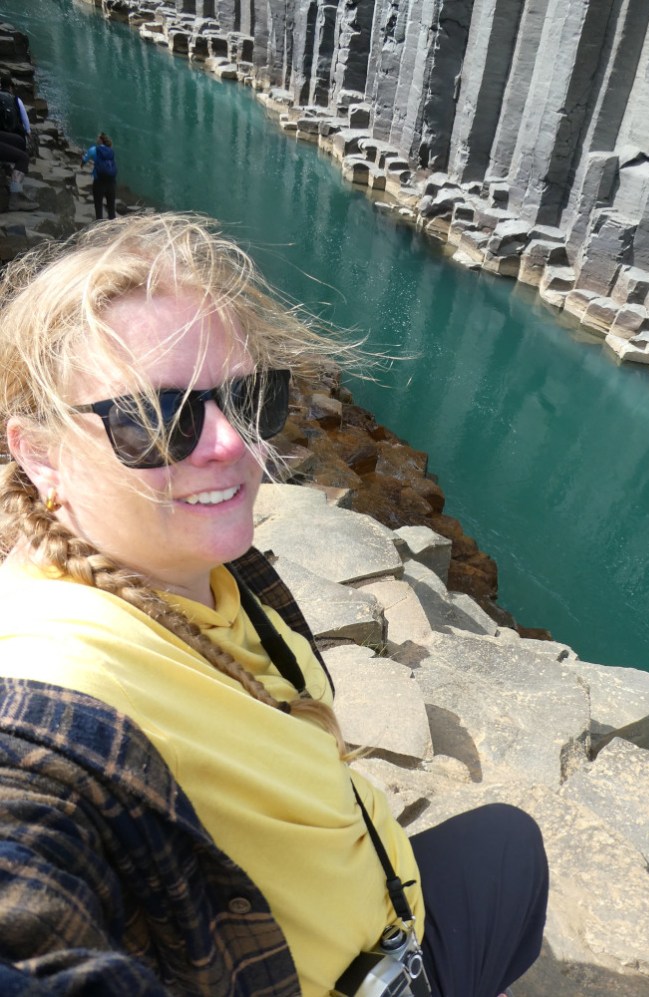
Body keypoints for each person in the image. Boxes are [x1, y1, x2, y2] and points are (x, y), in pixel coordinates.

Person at [0, 212, 548, 996]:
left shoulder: (216, 568)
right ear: (40, 452)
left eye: (249, 397)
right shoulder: (43, 706)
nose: (230, 444)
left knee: (508, 844)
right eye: (157, 418)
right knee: (512, 854)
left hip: (389, 926)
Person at [0, 74, 38, 213]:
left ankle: (11, 167)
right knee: (23, 157)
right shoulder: (15, 99)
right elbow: (26, 124)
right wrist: (29, 134)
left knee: (18, 141)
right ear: (11, 87)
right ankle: (15, 200)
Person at [81, 130, 118, 220]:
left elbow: (85, 159)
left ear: (100, 140)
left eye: (97, 137)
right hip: (111, 182)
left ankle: (100, 227)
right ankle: (113, 228)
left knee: (98, 206)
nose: (96, 139)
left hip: (99, 182)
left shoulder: (94, 150)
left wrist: (82, 165)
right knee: (111, 208)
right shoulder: (111, 151)